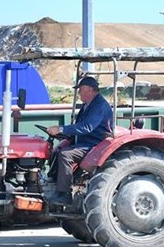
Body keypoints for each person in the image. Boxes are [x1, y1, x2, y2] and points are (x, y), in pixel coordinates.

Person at [45, 76, 113, 205]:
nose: (79, 93)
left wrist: (61, 129)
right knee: (58, 149)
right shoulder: (88, 105)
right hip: (84, 141)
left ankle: (64, 194)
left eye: (80, 90)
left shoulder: (99, 106)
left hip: (94, 144)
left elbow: (87, 127)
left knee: (65, 154)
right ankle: (52, 183)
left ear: (88, 89)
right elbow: (80, 125)